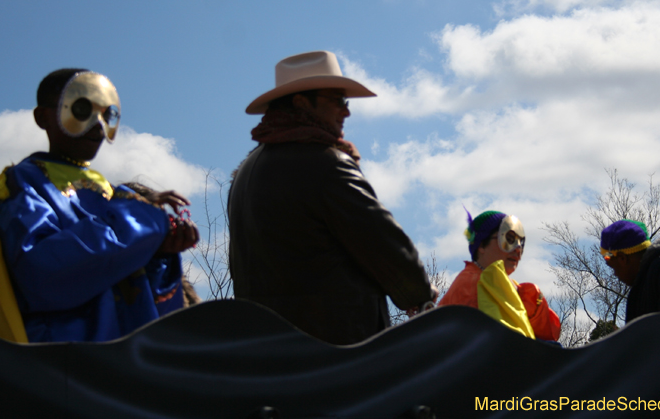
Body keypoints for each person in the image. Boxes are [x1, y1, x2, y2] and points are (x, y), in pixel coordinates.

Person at [228, 50, 436, 345]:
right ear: (301, 102)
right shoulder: (324, 162)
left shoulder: (246, 173)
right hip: (337, 354)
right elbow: (382, 241)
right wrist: (420, 296)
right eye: (337, 100)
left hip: (267, 352)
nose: (346, 111)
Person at [0, 69, 198, 343]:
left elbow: (136, 294)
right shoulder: (23, 184)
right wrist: (140, 219)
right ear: (43, 117)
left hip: (122, 364)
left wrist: (159, 254)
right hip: (61, 364)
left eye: (107, 114)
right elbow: (43, 276)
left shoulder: (111, 192)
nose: (97, 124)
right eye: (81, 108)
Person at [439, 210, 561, 341]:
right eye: (509, 239)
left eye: (521, 243)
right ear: (481, 245)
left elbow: (548, 332)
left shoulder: (508, 286)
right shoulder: (472, 284)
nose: (518, 249)